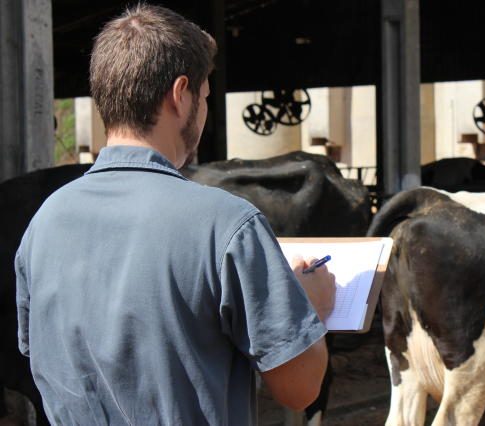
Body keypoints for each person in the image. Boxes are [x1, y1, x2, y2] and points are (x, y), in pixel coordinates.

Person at [15, 4, 336, 425]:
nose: (203, 112)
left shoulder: (44, 223)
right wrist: (310, 306)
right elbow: (299, 389)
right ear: (179, 95)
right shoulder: (227, 225)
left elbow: (40, 355)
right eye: (204, 97)